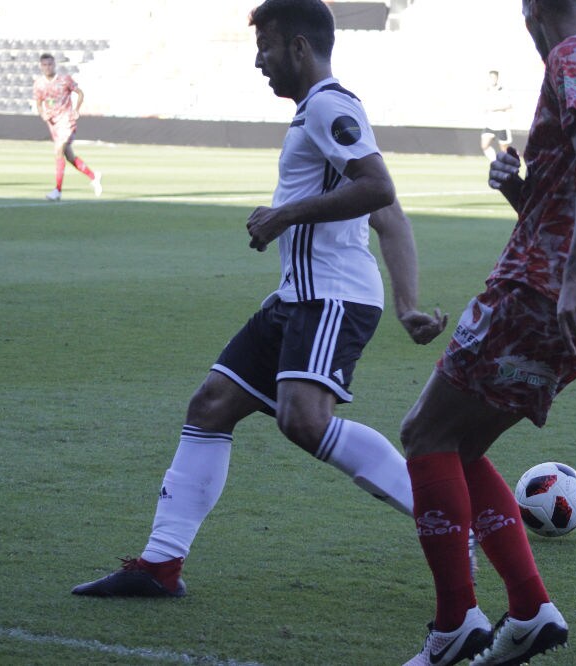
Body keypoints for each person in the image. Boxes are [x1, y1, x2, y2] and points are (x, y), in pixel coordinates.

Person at [72, 0, 447, 599]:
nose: (258, 61)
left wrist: (283, 216)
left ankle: (457, 524)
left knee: (303, 421)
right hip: (299, 296)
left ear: (299, 47)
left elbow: (380, 189)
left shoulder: (329, 105)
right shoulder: (317, 113)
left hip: (331, 297)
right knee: (213, 403)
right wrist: (406, 305)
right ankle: (160, 565)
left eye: (266, 47)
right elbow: (392, 218)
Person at [401, 1, 576, 664]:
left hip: (544, 289)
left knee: (426, 435)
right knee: (464, 446)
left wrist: (570, 278)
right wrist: (521, 193)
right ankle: (532, 609)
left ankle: (456, 623)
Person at [32, 53, 102, 202]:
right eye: (44, 65)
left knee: (58, 150)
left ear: (54, 65)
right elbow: (38, 102)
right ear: (40, 66)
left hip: (66, 120)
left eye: (50, 64)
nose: (47, 67)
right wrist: (42, 113)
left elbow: (80, 93)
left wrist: (76, 109)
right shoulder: (39, 84)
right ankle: (94, 176)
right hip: (53, 123)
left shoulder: (65, 80)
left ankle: (57, 191)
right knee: (69, 156)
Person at [480, 70, 514, 161]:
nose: (492, 80)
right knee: (484, 145)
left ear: (497, 78)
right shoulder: (487, 90)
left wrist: (496, 108)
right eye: (491, 77)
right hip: (490, 123)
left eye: (494, 77)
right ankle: (495, 161)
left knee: (504, 150)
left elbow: (509, 105)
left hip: (501, 124)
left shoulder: (503, 90)